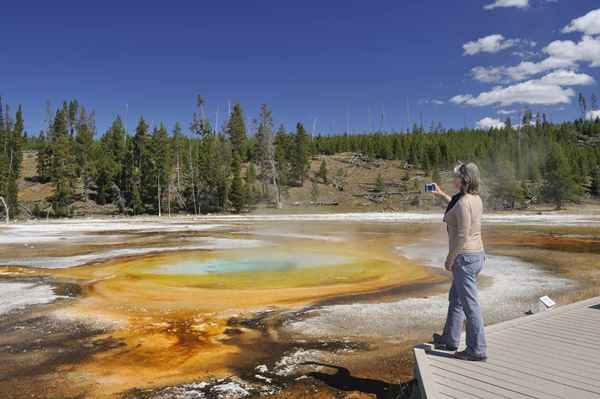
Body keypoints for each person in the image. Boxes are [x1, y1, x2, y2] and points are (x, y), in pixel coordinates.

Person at [429, 162, 487, 361]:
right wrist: (442, 195)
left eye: (455, 177)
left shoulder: (463, 202)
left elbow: (462, 234)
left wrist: (450, 258)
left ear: (464, 180)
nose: (452, 179)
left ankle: (476, 350)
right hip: (476, 254)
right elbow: (458, 211)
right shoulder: (474, 199)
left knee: (470, 306)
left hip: (464, 257)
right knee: (456, 298)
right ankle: (449, 339)